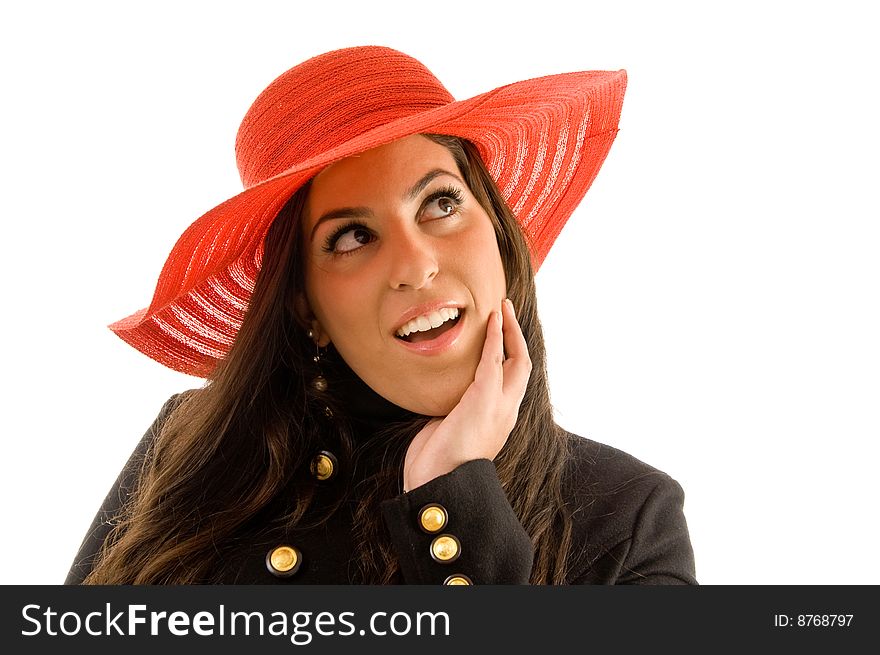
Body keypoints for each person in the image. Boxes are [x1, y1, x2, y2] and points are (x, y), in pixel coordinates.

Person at [66, 46, 696, 585]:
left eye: (441, 202)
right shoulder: (194, 448)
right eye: (350, 238)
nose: (416, 264)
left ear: (500, 237)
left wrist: (454, 499)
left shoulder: (626, 518)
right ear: (304, 305)